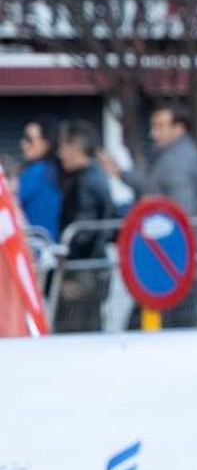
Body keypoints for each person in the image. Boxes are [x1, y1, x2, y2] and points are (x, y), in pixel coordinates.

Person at [55, 120, 116, 333]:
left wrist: (71, 267)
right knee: (91, 333)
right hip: (96, 267)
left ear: (76, 148)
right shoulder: (95, 176)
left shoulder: (84, 181)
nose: (60, 153)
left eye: (63, 147)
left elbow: (84, 231)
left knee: (73, 333)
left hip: (84, 272)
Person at [99, 103, 197, 214]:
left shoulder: (180, 159)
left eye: (159, 126)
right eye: (153, 126)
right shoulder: (168, 154)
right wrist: (119, 172)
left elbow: (182, 207)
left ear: (179, 128)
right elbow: (151, 185)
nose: (152, 134)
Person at [18, 116, 62, 241]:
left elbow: (14, 196)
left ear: (46, 143)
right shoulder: (55, 169)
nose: (23, 144)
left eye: (29, 139)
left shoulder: (38, 171)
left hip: (35, 247)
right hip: (47, 244)